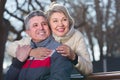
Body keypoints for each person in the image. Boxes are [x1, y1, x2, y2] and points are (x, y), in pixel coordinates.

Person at [6, 2, 93, 75]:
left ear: (69, 21)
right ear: (49, 24)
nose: (60, 24)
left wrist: (73, 56)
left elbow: (88, 69)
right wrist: (31, 52)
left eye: (64, 19)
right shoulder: (43, 35)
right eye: (55, 21)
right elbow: (10, 47)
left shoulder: (77, 36)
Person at [5, 10, 73, 80]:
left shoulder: (59, 51)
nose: (41, 28)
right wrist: (18, 62)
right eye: (35, 25)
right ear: (28, 32)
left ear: (49, 28)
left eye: (44, 24)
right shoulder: (25, 50)